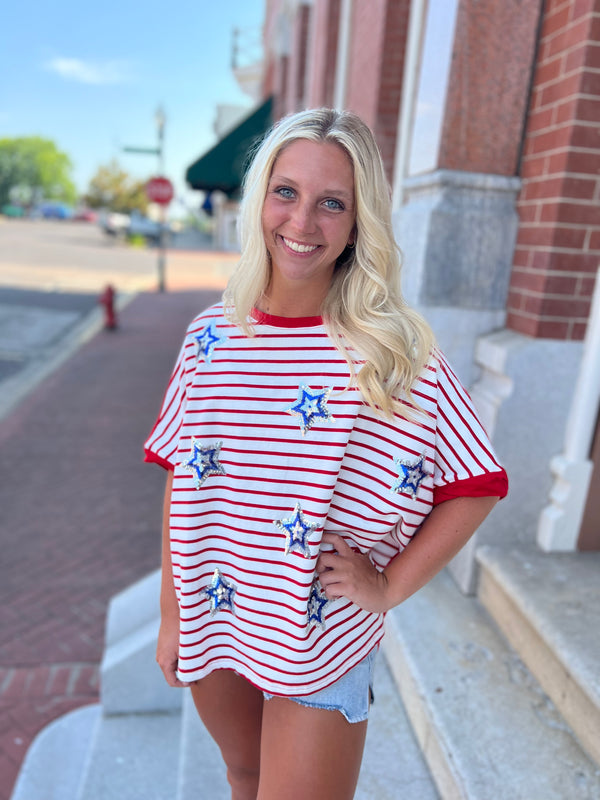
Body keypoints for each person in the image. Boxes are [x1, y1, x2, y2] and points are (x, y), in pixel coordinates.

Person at [144, 107, 508, 800]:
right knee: (243, 776)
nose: (302, 223)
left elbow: (477, 483)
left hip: (320, 633)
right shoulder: (210, 336)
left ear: (359, 219)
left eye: (331, 203)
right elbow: (179, 479)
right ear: (260, 199)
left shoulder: (393, 347)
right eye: (286, 192)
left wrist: (390, 586)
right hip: (215, 612)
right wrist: (171, 613)